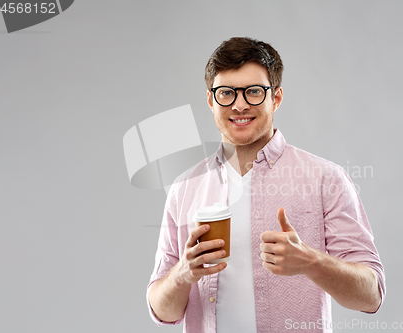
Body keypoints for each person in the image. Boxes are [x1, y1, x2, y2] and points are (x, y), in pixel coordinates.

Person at [147, 37, 385, 333]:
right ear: (211, 100)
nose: (240, 104)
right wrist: (183, 274)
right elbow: (162, 311)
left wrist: (312, 262)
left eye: (254, 91)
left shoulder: (325, 178)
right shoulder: (185, 188)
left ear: (277, 97)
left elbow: (371, 295)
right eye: (226, 93)